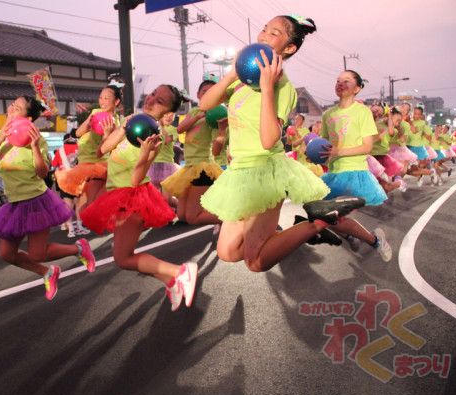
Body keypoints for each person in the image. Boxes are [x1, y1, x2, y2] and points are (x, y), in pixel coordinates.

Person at [199, 15, 364, 272]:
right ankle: (306, 231)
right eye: (264, 29)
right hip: (239, 172)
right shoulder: (242, 81)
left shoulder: (283, 88)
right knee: (228, 252)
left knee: (255, 262)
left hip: (264, 173)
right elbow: (205, 105)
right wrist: (230, 75)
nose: (264, 35)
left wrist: (267, 89)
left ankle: (318, 222)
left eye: (274, 33)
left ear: (289, 48)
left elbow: (268, 140)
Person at [81, 84, 198, 312]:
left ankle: (179, 272)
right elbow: (101, 151)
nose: (152, 99)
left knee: (123, 258)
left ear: (167, 112)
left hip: (132, 197)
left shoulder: (156, 136)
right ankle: (171, 282)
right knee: (124, 255)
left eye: (160, 101)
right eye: (154, 93)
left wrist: (145, 154)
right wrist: (113, 132)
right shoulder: (133, 118)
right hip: (116, 194)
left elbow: (136, 179)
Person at [0, 96, 95, 301]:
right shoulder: (1, 134)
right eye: (12, 104)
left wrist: (33, 148)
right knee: (7, 254)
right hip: (13, 203)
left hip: (36, 201)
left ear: (29, 118)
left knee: (37, 253)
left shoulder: (37, 139)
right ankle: (47, 272)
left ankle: (79, 248)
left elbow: (42, 173)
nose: (11, 107)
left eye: (18, 107)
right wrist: (1, 137)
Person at [318, 70, 392, 262]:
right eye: (338, 80)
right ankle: (370, 239)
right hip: (333, 174)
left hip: (354, 174)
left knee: (332, 217)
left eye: (347, 81)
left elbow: (367, 146)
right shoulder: (328, 114)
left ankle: (369, 239)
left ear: (357, 88)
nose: (340, 84)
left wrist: (338, 152)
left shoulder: (362, 112)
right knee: (321, 217)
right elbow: (326, 145)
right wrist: (317, 155)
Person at [162, 79, 223, 225]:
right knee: (182, 216)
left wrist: (222, 131)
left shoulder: (216, 115)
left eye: (212, 92)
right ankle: (212, 211)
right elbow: (180, 129)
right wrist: (197, 116)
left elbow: (216, 150)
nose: (208, 94)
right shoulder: (194, 111)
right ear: (198, 95)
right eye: (204, 92)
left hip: (203, 168)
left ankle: (233, 219)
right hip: (189, 168)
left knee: (192, 218)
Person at [58, 81, 123, 212]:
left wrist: (108, 134)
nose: (102, 101)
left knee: (91, 203)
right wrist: (88, 123)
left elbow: (107, 147)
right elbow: (77, 133)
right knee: (86, 202)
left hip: (98, 164)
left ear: (116, 102)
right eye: (100, 98)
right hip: (84, 162)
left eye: (106, 98)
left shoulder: (116, 122)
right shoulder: (95, 112)